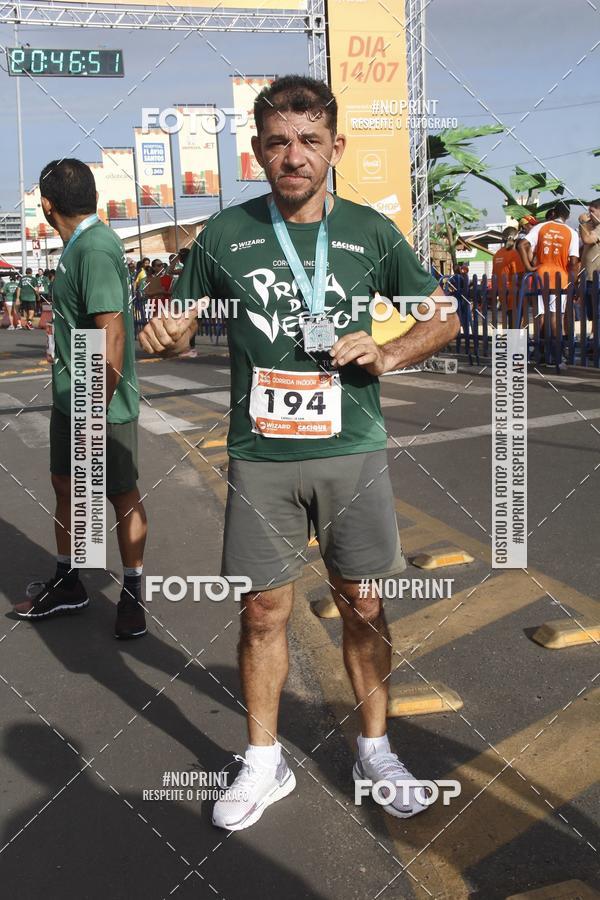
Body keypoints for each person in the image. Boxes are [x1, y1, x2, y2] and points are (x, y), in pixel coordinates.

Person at [139, 75, 459, 829]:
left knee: (366, 603)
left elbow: (442, 317)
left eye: (310, 140)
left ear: (335, 148)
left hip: (351, 447)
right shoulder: (223, 235)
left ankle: (376, 749)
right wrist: (165, 333)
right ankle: (262, 761)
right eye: (279, 142)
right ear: (258, 151)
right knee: (261, 612)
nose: (295, 155)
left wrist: (385, 353)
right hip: (262, 456)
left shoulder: (371, 234)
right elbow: (180, 324)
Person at [14, 158, 148, 639]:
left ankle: (132, 594)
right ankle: (70, 580)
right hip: (73, 398)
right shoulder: (78, 246)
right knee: (66, 485)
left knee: (118, 493)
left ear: (47, 206)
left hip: (99, 405)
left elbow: (110, 339)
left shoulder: (92, 249)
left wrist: (93, 413)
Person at [523, 200, 579, 368]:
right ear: (567, 216)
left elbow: (522, 244)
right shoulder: (571, 233)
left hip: (540, 276)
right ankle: (556, 356)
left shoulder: (541, 227)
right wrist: (573, 282)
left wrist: (528, 266)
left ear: (554, 213)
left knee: (540, 316)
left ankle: (540, 355)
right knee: (556, 318)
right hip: (560, 279)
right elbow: (574, 261)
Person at [492, 227, 525, 325]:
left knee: (507, 322)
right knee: (515, 323)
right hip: (514, 293)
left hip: (503, 293)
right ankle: (514, 340)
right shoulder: (514, 254)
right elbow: (519, 275)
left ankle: (509, 340)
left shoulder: (497, 254)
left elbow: (495, 274)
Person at [578, 198, 600, 337]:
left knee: (598, 312)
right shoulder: (591, 225)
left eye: (592, 211)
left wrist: (583, 223)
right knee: (592, 314)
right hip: (588, 276)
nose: (589, 214)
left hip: (597, 277)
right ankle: (594, 340)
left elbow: (588, 240)